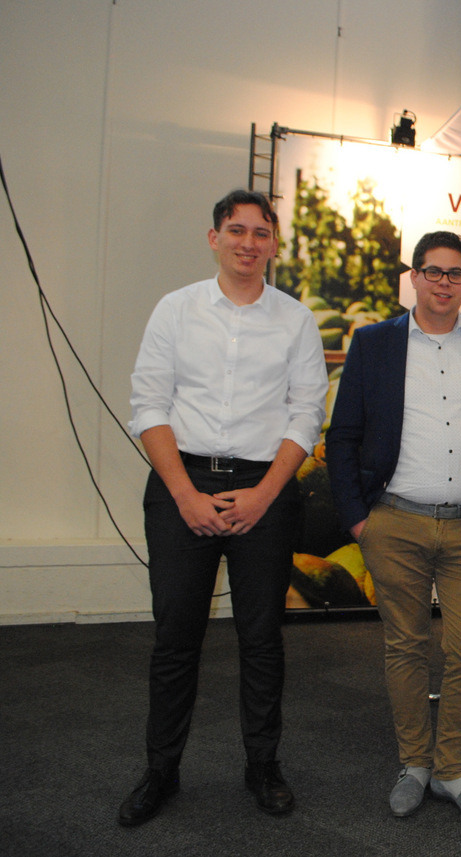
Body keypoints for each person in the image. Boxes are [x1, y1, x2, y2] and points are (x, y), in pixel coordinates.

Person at [119, 189, 328, 826]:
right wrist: (185, 495)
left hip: (265, 487)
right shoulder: (175, 309)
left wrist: (264, 496)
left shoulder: (296, 320)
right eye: (236, 230)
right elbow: (148, 405)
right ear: (214, 238)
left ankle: (262, 765)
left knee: (261, 638)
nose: (248, 243)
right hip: (180, 483)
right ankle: (160, 771)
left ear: (273, 244)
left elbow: (306, 414)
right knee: (175, 639)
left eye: (261, 233)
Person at [326, 230, 461, 822]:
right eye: (433, 271)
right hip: (394, 524)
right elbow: (342, 437)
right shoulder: (373, 344)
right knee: (406, 646)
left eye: (455, 273)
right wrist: (358, 520)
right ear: (414, 277)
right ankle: (415, 763)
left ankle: (453, 770)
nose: (444, 282)